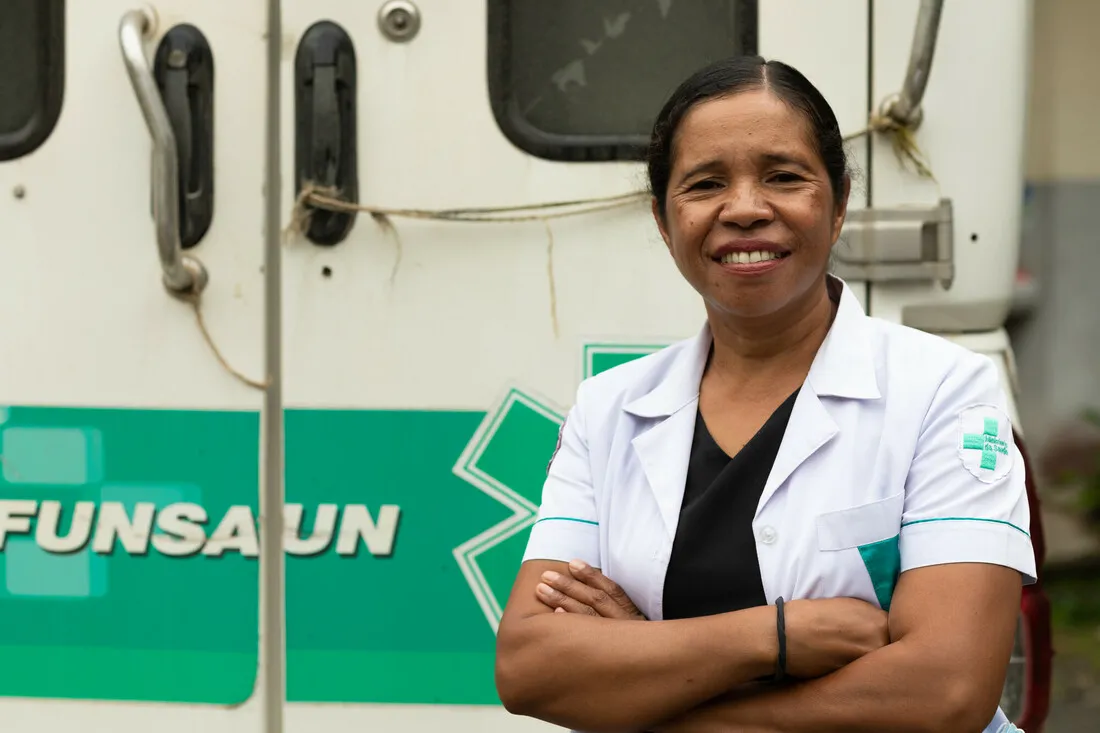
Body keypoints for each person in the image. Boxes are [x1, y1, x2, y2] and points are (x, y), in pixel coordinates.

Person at [494, 55, 1035, 733]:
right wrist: (776, 636)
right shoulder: (610, 410)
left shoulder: (945, 392)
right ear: (665, 222)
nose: (746, 208)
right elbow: (529, 665)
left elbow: (948, 688)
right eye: (705, 183)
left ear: (837, 205)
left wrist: (650, 682)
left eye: (783, 176)